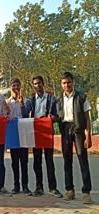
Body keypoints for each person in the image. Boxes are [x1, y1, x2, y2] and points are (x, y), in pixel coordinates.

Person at [57, 71, 92, 204]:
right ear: (61, 84)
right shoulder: (59, 100)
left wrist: (88, 136)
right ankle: (69, 190)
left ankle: (86, 192)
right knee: (67, 161)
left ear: (73, 82)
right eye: (64, 83)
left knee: (82, 159)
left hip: (78, 130)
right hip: (65, 130)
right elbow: (58, 116)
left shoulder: (81, 97)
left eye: (69, 82)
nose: (67, 85)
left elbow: (88, 118)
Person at [25, 76, 62, 198]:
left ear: (43, 84)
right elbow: (25, 114)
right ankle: (39, 187)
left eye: (39, 83)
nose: (37, 86)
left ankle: (53, 187)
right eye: (35, 84)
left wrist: (53, 118)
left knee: (49, 160)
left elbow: (57, 116)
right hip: (36, 133)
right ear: (33, 86)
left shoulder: (52, 99)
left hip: (47, 131)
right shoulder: (31, 100)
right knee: (37, 161)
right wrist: (21, 104)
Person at [6, 78, 32, 196]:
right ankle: (16, 186)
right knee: (14, 162)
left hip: (23, 135)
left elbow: (27, 116)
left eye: (17, 85)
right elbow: (5, 117)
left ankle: (25, 186)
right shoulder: (7, 102)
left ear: (20, 86)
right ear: (10, 87)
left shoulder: (27, 101)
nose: (16, 88)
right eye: (13, 85)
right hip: (13, 135)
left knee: (24, 161)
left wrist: (22, 105)